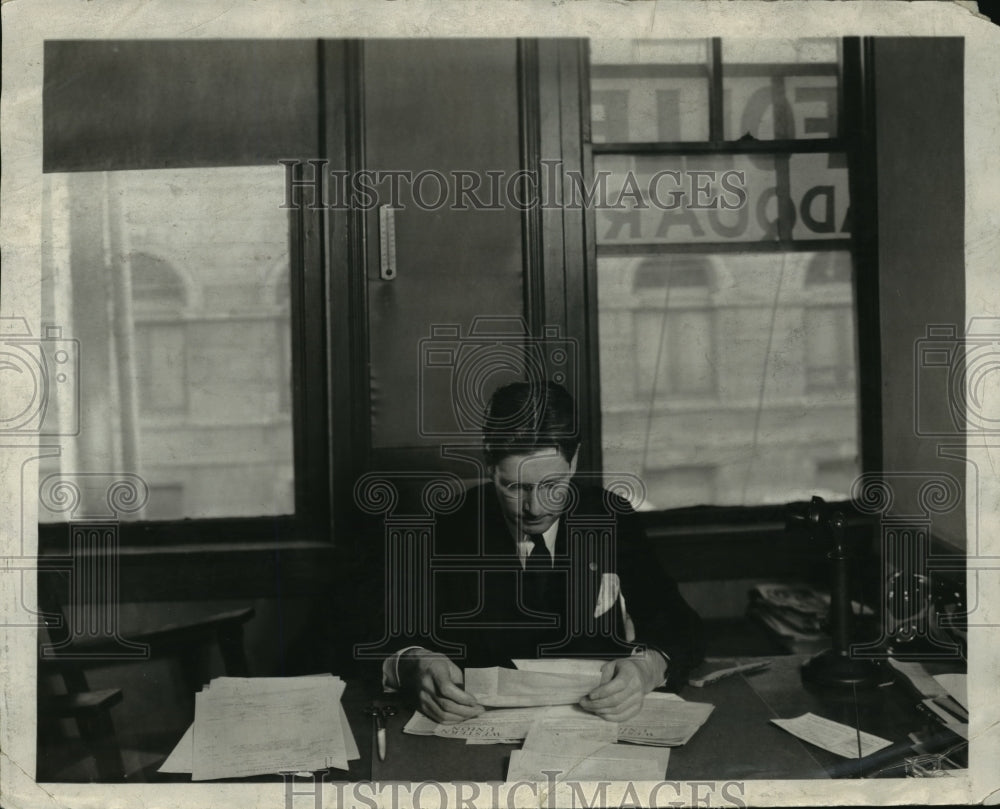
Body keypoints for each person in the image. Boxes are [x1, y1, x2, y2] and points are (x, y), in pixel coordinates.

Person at [381, 380, 704, 723]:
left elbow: (682, 626)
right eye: (516, 487)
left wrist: (647, 669)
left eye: (552, 485)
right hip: (473, 735)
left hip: (597, 728)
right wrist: (410, 662)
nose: (534, 508)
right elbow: (369, 630)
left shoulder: (610, 517)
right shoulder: (447, 527)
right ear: (489, 464)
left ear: (575, 460)